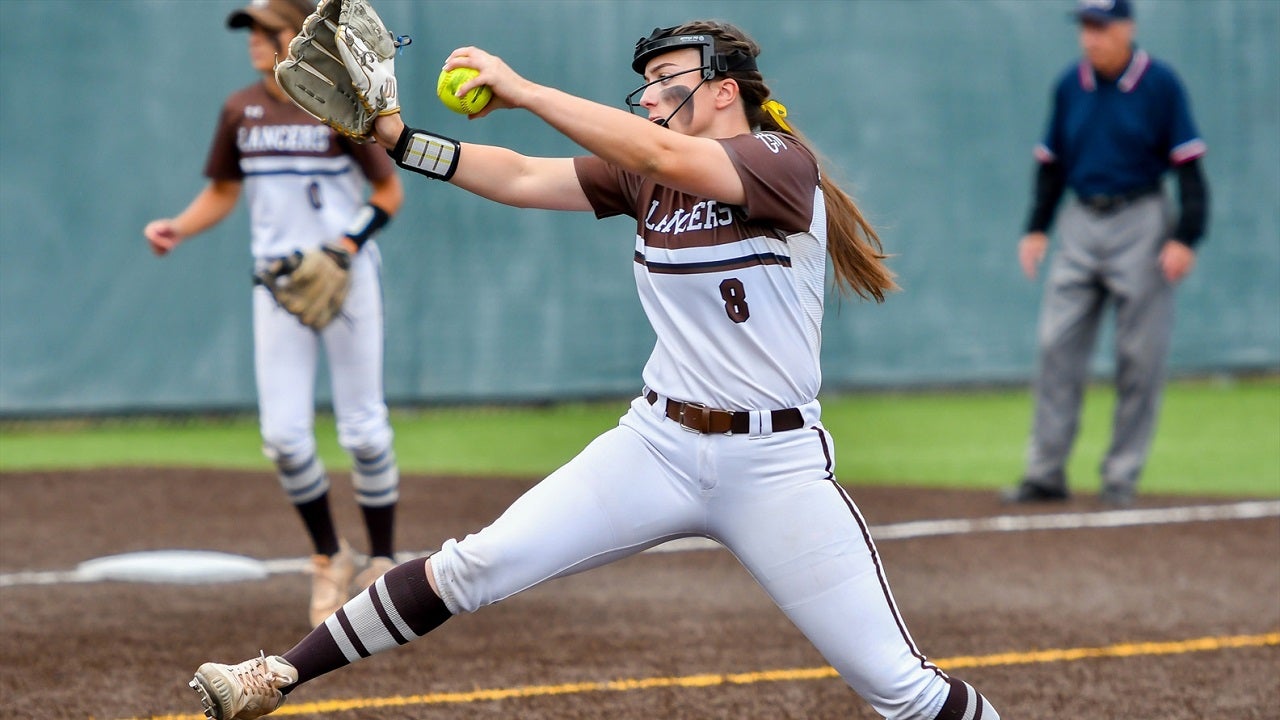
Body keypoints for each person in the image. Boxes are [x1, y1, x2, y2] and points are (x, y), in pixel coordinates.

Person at [189, 21, 1000, 720]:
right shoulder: (648, 175)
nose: (649, 95)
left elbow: (655, 148)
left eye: (668, 79)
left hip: (773, 464)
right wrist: (400, 140)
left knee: (900, 690)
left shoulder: (779, 160)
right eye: (645, 83)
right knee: (475, 563)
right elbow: (518, 176)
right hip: (657, 444)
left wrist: (524, 90)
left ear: (726, 91)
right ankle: (277, 674)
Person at [143, 0, 406, 628]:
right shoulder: (240, 109)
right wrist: (178, 228)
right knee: (285, 439)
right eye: (251, 31)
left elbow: (389, 192)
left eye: (266, 30)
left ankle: (383, 560)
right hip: (278, 283)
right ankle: (329, 556)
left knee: (364, 431)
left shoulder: (337, 104)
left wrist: (346, 245)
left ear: (301, 33)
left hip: (344, 277)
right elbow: (223, 192)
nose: (254, 40)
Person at [1003, 0, 1209, 509]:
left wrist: (1185, 236)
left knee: (1140, 357)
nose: (1091, 38)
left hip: (1142, 219)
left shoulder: (1160, 83)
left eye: (1101, 26)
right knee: (1055, 346)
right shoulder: (1070, 85)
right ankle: (1045, 473)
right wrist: (1036, 228)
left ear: (1127, 27)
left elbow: (1189, 169)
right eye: (1085, 27)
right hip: (1080, 220)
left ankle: (1120, 477)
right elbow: (1051, 165)